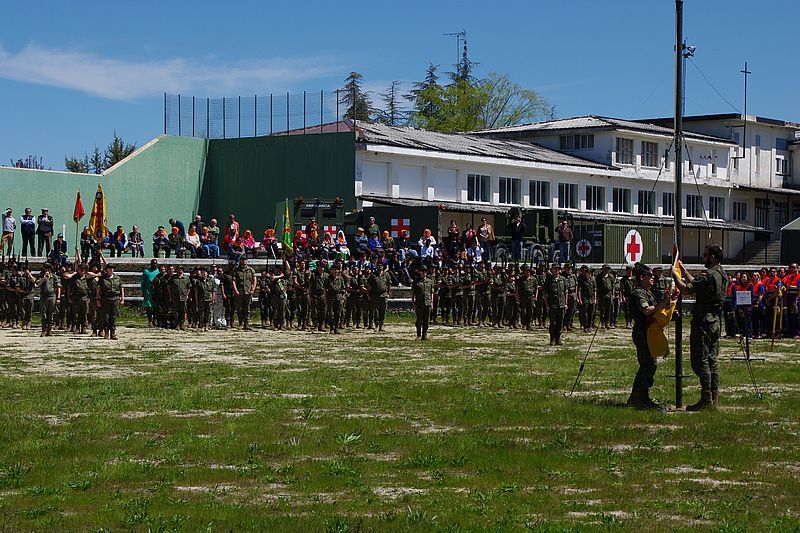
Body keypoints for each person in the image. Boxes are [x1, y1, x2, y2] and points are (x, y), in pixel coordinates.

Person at [672, 244, 728, 411]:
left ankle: (706, 399)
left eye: (705, 255)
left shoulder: (708, 275)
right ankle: (713, 397)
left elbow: (686, 289)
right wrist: (683, 269)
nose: (703, 258)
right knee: (712, 359)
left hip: (703, 322)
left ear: (711, 257)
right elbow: (696, 284)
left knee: (700, 360)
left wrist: (674, 276)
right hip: (715, 321)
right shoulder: (721, 273)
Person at [626, 264, 674, 410]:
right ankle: (637, 397)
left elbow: (656, 310)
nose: (653, 278)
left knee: (650, 365)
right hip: (642, 333)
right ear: (642, 277)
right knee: (647, 365)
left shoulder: (648, 292)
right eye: (650, 276)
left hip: (650, 332)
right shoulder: (638, 293)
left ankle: (642, 396)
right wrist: (662, 303)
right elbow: (646, 310)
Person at [96, 262, 124, 340]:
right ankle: (106, 332)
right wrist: (98, 300)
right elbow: (98, 290)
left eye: (112, 268)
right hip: (105, 299)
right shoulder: (102, 279)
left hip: (115, 298)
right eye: (110, 268)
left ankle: (113, 333)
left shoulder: (117, 278)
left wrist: (122, 298)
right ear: (106, 269)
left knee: (113, 316)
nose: (111, 269)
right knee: (106, 316)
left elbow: (121, 288)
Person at [35, 262, 61, 336]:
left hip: (52, 296)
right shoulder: (40, 276)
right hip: (44, 296)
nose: (47, 270)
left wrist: (58, 297)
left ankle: (49, 329)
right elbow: (37, 284)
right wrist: (44, 278)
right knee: (43, 313)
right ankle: (43, 329)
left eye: (48, 268)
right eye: (46, 268)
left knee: (51, 313)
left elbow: (58, 287)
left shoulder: (55, 277)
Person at [543, 263, 567, 345]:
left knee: (560, 322)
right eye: (555, 269)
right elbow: (545, 293)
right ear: (552, 270)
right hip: (552, 304)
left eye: (558, 269)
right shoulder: (549, 280)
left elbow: (565, 292)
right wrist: (547, 304)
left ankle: (558, 338)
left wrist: (565, 303)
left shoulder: (563, 279)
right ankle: (552, 339)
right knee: (553, 322)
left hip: (561, 304)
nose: (557, 270)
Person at [232, 257, 256, 330]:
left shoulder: (251, 270)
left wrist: (253, 289)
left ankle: (246, 324)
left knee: (247, 308)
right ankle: (240, 323)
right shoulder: (236, 270)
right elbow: (234, 281)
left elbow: (254, 280)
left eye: (245, 260)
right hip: (240, 292)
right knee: (239, 308)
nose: (244, 261)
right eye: (242, 260)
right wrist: (236, 290)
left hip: (248, 291)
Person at [411, 265, 435, 340]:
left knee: (426, 320)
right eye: (422, 271)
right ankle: (419, 334)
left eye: (425, 271)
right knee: (419, 320)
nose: (424, 273)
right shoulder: (416, 282)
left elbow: (431, 293)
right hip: (419, 304)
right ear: (420, 272)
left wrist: (432, 302)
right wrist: (413, 304)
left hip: (427, 303)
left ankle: (425, 334)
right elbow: (412, 294)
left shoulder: (430, 282)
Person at [325, 263, 346, 334]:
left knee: (338, 313)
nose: (335, 271)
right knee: (331, 314)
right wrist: (325, 298)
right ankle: (331, 328)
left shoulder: (340, 278)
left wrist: (343, 298)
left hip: (339, 298)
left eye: (336, 270)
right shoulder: (328, 279)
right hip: (331, 298)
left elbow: (344, 289)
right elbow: (325, 289)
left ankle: (336, 328)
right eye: (334, 270)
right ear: (331, 270)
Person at [169, 266, 191, 330]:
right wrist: (171, 295)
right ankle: (177, 324)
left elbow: (189, 287)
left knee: (183, 311)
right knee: (175, 311)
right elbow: (169, 287)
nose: (179, 271)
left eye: (181, 269)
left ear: (183, 271)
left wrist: (187, 295)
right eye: (178, 269)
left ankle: (182, 324)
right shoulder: (173, 278)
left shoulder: (186, 278)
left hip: (183, 297)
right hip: (175, 297)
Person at [141, 259, 159, 326]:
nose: (154, 265)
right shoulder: (146, 272)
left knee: (155, 306)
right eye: (153, 263)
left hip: (156, 291)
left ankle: (155, 319)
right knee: (149, 307)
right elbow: (143, 282)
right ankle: (150, 320)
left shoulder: (158, 271)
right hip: (148, 290)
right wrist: (143, 291)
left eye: (155, 263)